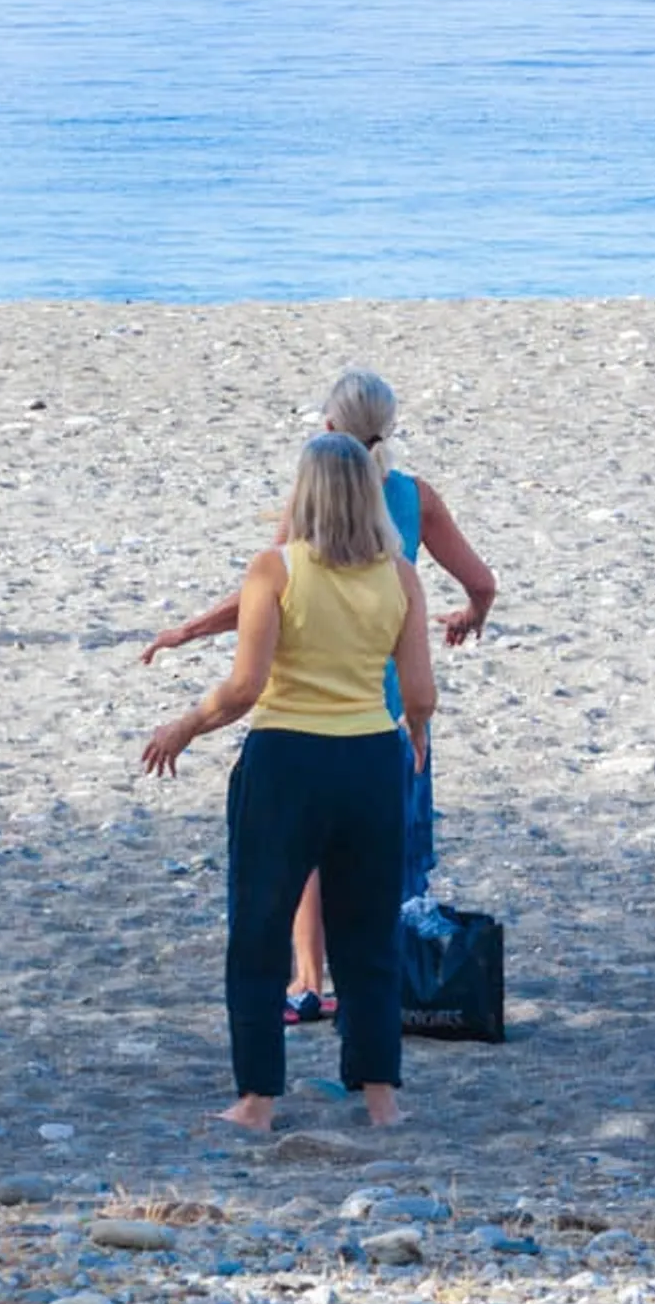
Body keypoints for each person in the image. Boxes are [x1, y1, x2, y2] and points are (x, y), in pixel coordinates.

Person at [142, 370, 494, 1021]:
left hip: (305, 710)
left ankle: (306, 981)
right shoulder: (416, 499)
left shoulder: (312, 498)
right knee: (379, 859)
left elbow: (268, 592)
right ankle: (383, 990)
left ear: (328, 428)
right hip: (386, 712)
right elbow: (482, 582)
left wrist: (189, 631)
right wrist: (471, 615)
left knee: (305, 852)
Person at [141, 432, 435, 1133]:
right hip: (370, 758)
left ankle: (258, 1101)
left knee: (261, 929)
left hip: (286, 760)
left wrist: (185, 725)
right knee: (369, 932)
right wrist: (417, 734)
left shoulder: (275, 569)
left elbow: (244, 688)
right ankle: (381, 1098)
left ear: (304, 495)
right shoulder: (400, 577)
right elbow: (419, 691)